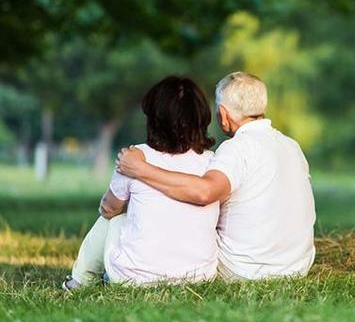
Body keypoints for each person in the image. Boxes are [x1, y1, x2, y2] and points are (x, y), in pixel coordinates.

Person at [117, 72, 316, 281]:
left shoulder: (236, 148)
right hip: (297, 265)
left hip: (245, 270)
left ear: (223, 114)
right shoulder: (292, 146)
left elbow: (205, 192)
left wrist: (140, 169)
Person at [63, 76, 219, 289]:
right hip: (199, 276)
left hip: (136, 278)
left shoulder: (136, 157)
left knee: (113, 218)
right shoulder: (212, 163)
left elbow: (109, 209)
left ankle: (80, 281)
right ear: (201, 118)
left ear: (154, 118)